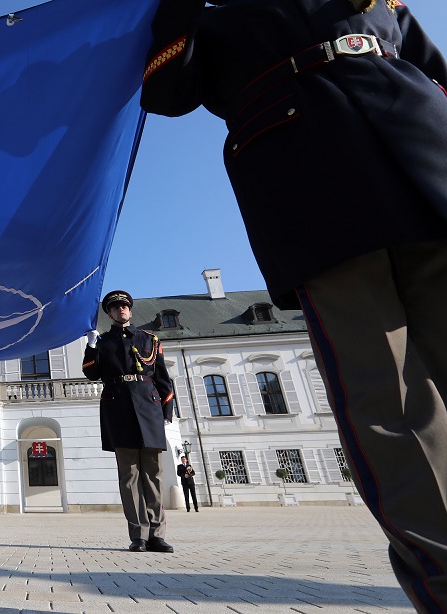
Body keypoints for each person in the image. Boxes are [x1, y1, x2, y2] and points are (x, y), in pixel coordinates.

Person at [140, 0, 447, 608]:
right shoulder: (207, 15)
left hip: (423, 151)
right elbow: (166, 89)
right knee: (387, 401)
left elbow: (432, 65)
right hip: (311, 179)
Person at [83, 290, 175, 553]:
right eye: (115, 307)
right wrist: (91, 346)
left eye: (124, 306)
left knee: (153, 474)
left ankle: (157, 534)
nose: (120, 310)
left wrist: (165, 414)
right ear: (109, 313)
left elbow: (163, 379)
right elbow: (91, 373)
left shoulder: (149, 339)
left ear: (131, 310)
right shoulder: (102, 342)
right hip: (118, 408)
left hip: (149, 408)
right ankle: (139, 535)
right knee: (129, 476)